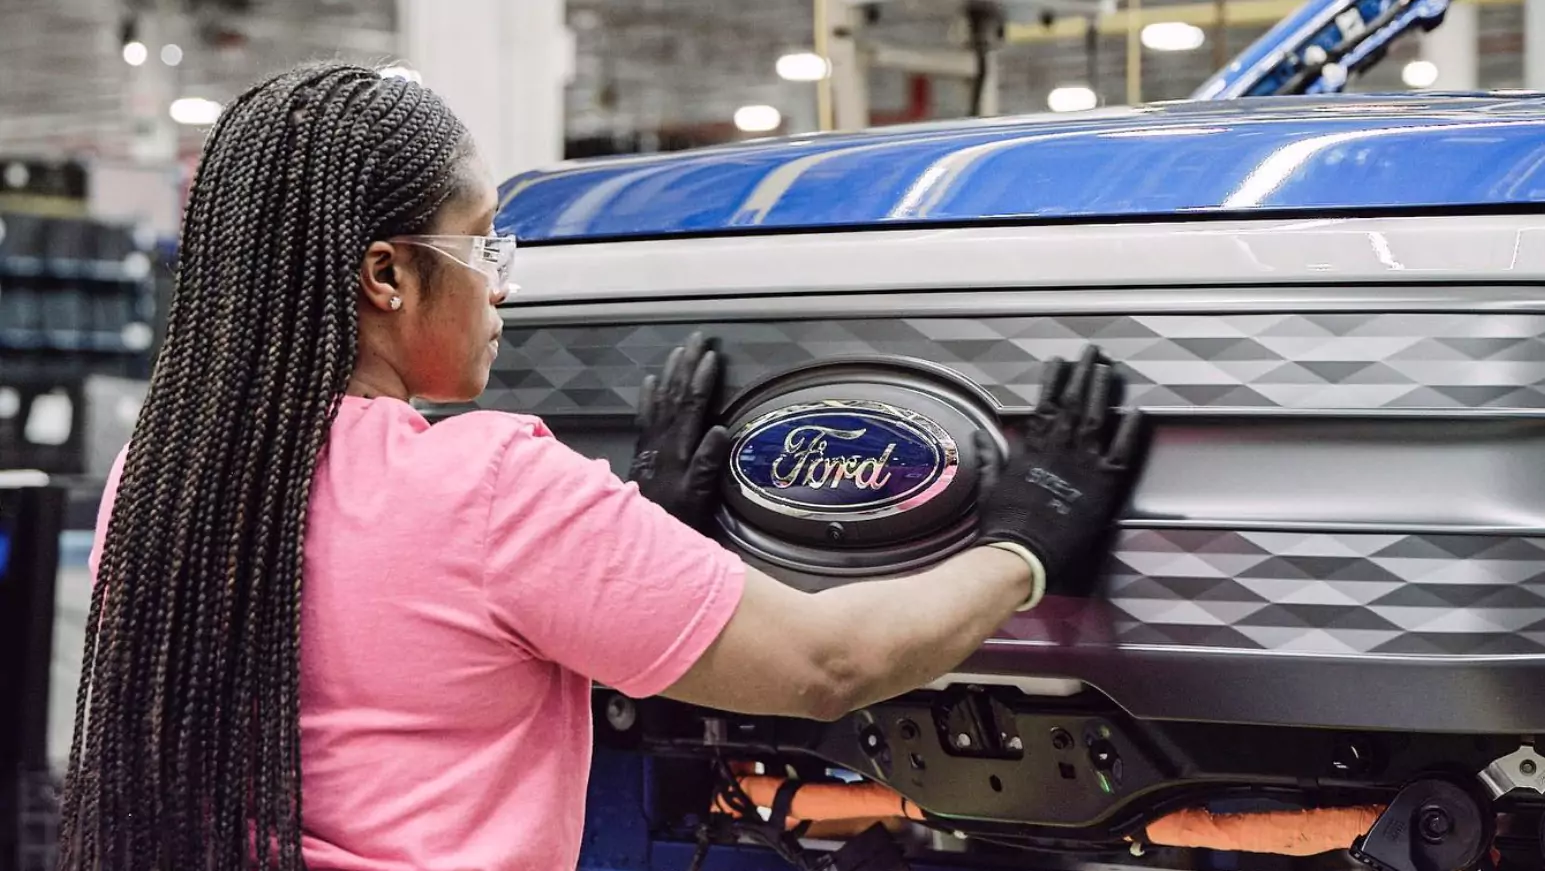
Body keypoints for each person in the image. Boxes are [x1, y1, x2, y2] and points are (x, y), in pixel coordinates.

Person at [57, 61, 1147, 871]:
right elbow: (828, 662)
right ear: (386, 276)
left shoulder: (160, 488)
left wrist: (642, 538)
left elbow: (417, 671)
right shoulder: (485, 483)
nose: (502, 283)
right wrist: (1023, 543)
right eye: (483, 243)